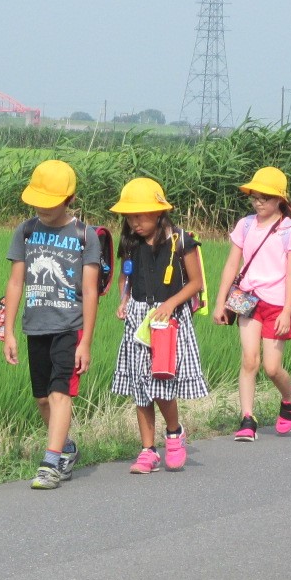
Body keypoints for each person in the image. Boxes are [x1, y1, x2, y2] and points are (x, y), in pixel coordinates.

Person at [3, 160, 100, 490]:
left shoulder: (85, 236)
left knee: (60, 393)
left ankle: (50, 463)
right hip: (35, 326)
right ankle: (67, 449)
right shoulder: (26, 231)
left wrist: (85, 340)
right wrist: (8, 331)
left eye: (50, 201)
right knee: (42, 399)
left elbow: (89, 290)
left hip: (69, 327)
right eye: (37, 200)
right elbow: (16, 283)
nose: (41, 207)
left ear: (69, 198)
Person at [109, 178, 208, 473]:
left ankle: (174, 434)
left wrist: (169, 304)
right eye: (129, 216)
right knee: (140, 385)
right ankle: (148, 450)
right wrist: (123, 299)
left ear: (158, 212)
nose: (134, 223)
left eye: (139, 216)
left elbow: (196, 283)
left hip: (169, 320)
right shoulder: (129, 241)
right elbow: (125, 278)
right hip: (139, 319)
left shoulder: (181, 241)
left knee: (162, 382)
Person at [212, 167, 291, 441]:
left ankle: (290, 397)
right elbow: (232, 264)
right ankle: (247, 418)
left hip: (277, 304)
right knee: (249, 360)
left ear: (280, 200)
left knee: (272, 368)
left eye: (265, 197)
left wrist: (287, 310)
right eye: (255, 196)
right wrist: (220, 302)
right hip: (248, 299)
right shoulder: (246, 224)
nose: (259, 202)